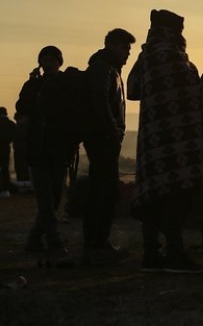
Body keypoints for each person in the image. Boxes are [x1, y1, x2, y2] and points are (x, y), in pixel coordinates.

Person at [126, 9, 203, 273]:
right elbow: (194, 91)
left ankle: (151, 254)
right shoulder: (172, 56)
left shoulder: (146, 57)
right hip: (176, 141)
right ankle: (174, 254)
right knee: (176, 194)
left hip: (150, 140)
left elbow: (133, 89)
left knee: (153, 195)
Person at [82, 28, 135, 265]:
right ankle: (97, 242)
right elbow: (100, 101)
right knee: (105, 191)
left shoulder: (108, 69)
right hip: (102, 139)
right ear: (113, 45)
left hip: (103, 138)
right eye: (125, 48)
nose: (128, 54)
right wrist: (112, 130)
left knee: (100, 190)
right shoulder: (102, 69)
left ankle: (95, 241)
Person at [17, 45, 72, 252]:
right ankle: (53, 238)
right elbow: (22, 108)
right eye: (45, 60)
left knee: (54, 196)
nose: (48, 63)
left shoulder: (65, 85)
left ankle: (34, 239)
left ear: (59, 62)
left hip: (57, 147)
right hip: (37, 147)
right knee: (45, 197)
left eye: (52, 60)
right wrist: (31, 85)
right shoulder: (32, 85)